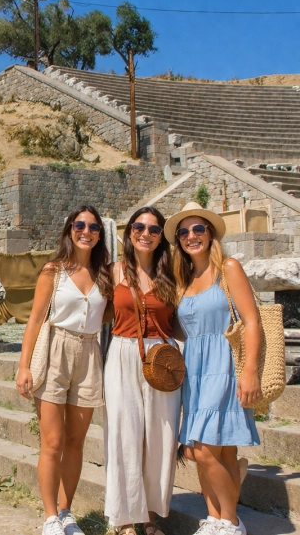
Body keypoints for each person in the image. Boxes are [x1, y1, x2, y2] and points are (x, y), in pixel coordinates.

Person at [166, 202, 261, 535]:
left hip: (224, 365)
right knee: (212, 450)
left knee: (202, 450)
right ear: (178, 241)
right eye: (184, 232)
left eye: (198, 229)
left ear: (210, 233)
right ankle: (215, 518)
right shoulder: (183, 280)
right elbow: (183, 331)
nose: (191, 236)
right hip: (195, 369)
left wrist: (249, 371)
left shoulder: (229, 268)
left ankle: (231, 522)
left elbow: (252, 321)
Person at [16, 206, 113, 535]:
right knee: (53, 443)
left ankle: (66, 511)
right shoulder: (52, 271)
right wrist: (23, 365)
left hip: (90, 353)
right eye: (80, 225)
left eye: (93, 226)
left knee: (75, 442)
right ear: (70, 229)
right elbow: (35, 318)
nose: (86, 231)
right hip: (56, 349)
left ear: (100, 233)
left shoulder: (104, 273)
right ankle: (49, 518)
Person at [103, 207, 180, 535]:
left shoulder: (172, 274)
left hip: (163, 358)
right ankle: (123, 520)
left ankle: (149, 516)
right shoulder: (113, 272)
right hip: (122, 354)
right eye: (139, 226)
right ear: (129, 231)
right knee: (124, 433)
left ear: (161, 236)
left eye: (153, 229)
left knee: (161, 436)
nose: (145, 234)